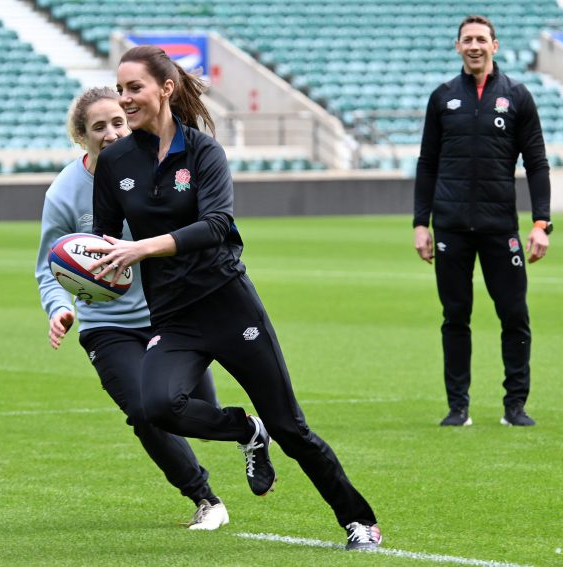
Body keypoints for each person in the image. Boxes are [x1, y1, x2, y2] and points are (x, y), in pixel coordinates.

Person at [87, 46, 380, 551]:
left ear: (165, 88)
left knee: (291, 428)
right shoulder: (114, 162)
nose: (125, 99)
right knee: (157, 406)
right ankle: (245, 428)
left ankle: (360, 521)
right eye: (120, 89)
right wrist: (86, 270)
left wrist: (143, 248)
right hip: (174, 316)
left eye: (134, 88)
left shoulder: (203, 151)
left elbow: (218, 224)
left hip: (228, 303)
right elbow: (104, 239)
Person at [34, 86, 230, 530]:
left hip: (172, 314)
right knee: (144, 412)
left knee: (199, 410)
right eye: (98, 127)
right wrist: (58, 308)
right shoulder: (64, 192)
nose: (110, 133)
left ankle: (247, 429)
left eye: (118, 122)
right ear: (80, 136)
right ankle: (205, 498)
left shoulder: (162, 170)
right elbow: (49, 266)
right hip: (108, 326)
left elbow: (197, 232)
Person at [413, 15, 551, 428]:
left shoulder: (518, 97)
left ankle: (515, 406)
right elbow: (427, 164)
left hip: (500, 228)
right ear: (458, 47)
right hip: (451, 227)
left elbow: (538, 163)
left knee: (514, 315)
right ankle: (458, 406)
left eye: (481, 39)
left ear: (495, 45)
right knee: (455, 316)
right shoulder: (442, 98)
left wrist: (541, 222)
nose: (474, 46)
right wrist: (422, 223)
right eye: (467, 40)